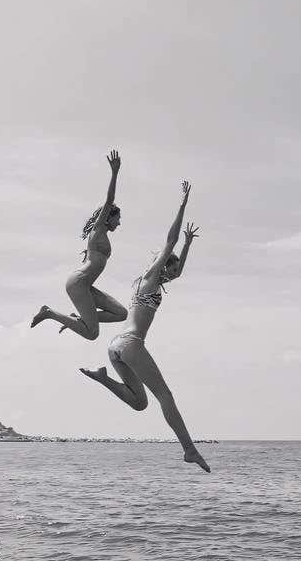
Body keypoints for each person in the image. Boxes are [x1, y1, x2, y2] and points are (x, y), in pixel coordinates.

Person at [81, 180, 210, 472]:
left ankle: (103, 377)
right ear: (163, 266)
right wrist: (183, 205)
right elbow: (170, 241)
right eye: (171, 269)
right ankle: (189, 450)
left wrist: (188, 246)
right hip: (131, 344)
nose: (172, 276)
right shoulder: (151, 276)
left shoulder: (149, 283)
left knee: (140, 403)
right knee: (166, 396)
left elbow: (177, 270)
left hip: (116, 346)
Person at [31, 151, 127, 340]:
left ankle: (78, 319)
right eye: (118, 219)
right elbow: (109, 201)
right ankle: (49, 313)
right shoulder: (98, 229)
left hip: (86, 285)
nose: (119, 223)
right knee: (92, 334)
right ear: (108, 217)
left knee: (121, 313)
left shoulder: (102, 235)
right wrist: (115, 173)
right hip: (78, 284)